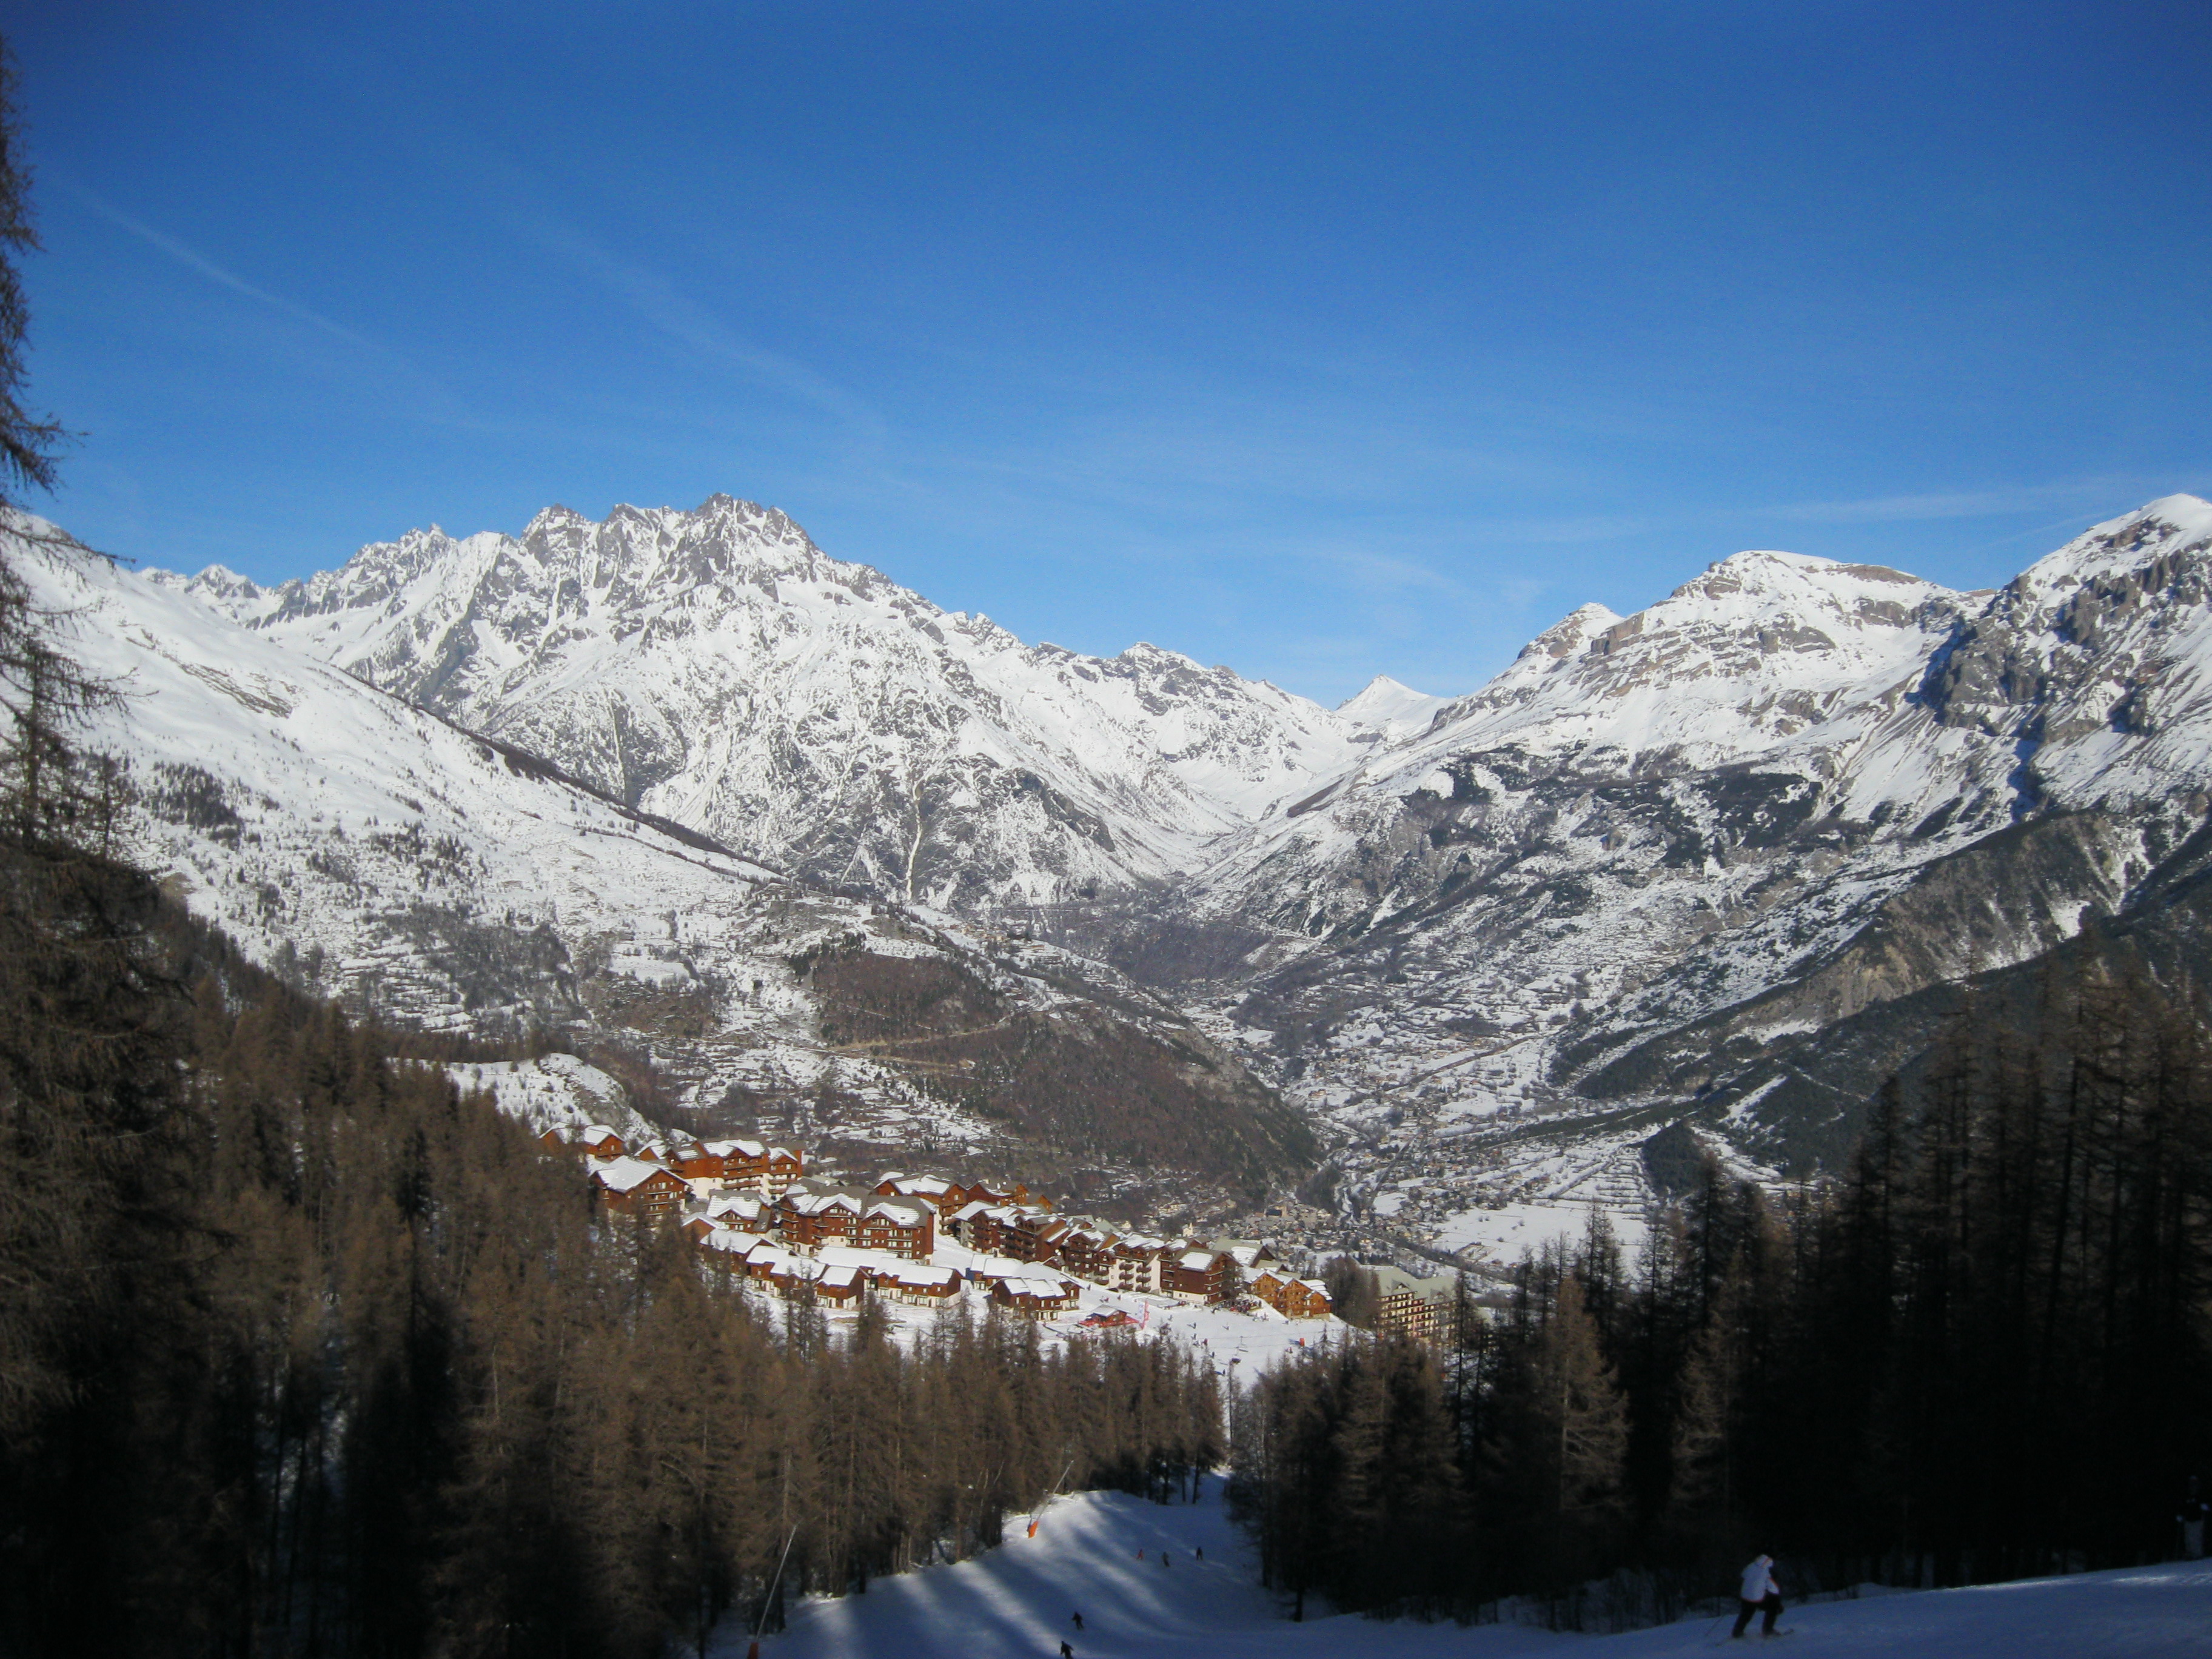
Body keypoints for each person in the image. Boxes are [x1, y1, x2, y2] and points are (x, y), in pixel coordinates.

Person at [1732, 1554, 1784, 1639]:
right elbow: (1773, 1588)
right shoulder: (1765, 1572)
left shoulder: (1750, 1566)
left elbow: (1743, 1575)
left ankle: (1737, 1632)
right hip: (1757, 1598)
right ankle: (1768, 1630)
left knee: (1746, 1614)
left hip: (1745, 1596)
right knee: (1773, 1608)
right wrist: (1777, 1597)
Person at [2180, 1478, 2208, 1561]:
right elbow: (2183, 1507)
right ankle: (2190, 1553)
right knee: (2188, 1538)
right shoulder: (2187, 1496)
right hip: (2188, 1519)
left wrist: (2205, 1507)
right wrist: (2181, 1515)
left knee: (2195, 1537)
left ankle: (2197, 1554)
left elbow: (2206, 1506)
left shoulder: (2200, 1496)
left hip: (2197, 1519)